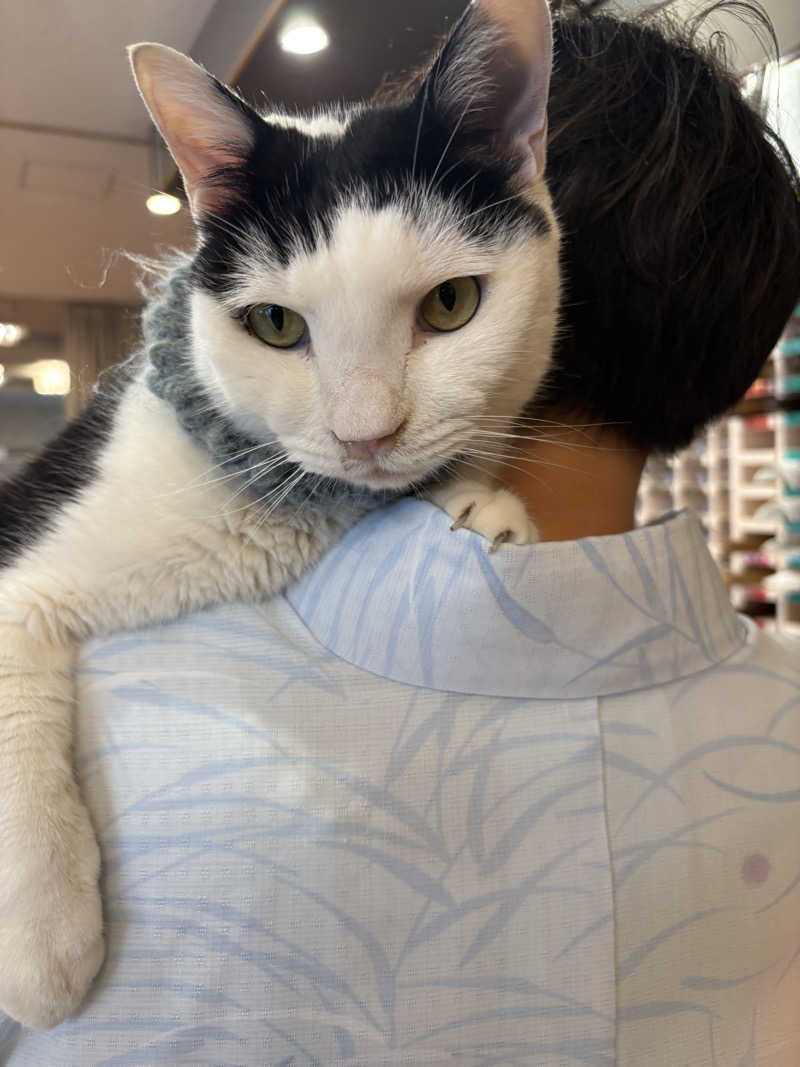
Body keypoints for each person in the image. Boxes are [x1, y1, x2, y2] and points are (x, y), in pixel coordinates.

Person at [2, 4, 799, 1065]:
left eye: (446, 303)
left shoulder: (123, 708)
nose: (364, 425)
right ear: (747, 357)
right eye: (281, 325)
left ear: (545, 228)